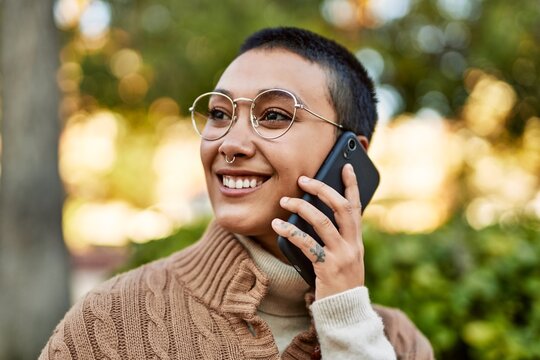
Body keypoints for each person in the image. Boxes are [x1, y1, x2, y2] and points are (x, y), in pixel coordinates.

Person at [40, 27, 433, 359]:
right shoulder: (110, 322)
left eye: (274, 115)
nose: (230, 142)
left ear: (351, 158)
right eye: (219, 114)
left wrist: (349, 327)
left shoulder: (399, 343)